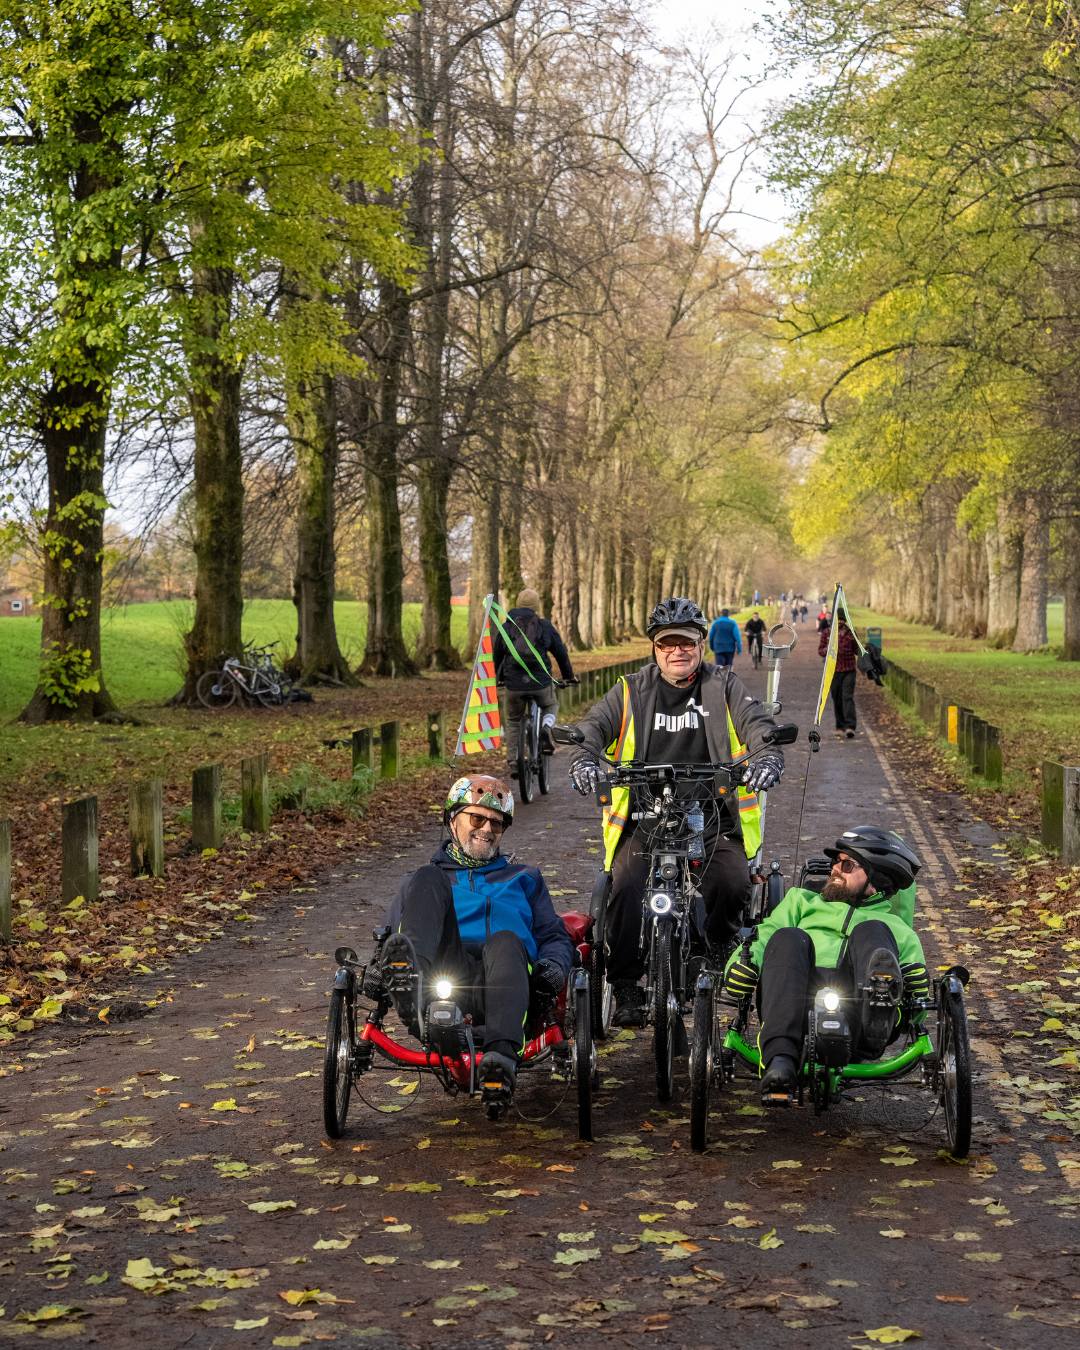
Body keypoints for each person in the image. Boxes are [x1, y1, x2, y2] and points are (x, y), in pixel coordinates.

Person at [568, 597, 783, 1026]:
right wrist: (584, 758)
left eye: (685, 642)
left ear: (701, 644)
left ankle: (717, 946)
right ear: (654, 649)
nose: (676, 651)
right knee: (625, 887)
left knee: (732, 879)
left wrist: (766, 756)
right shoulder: (630, 690)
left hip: (711, 813)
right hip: (646, 816)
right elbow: (595, 726)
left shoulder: (723, 686)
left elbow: (757, 724)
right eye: (667, 644)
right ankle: (628, 985)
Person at [381, 774, 573, 1103]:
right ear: (453, 820)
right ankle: (412, 991)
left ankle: (500, 1062)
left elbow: (554, 935)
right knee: (427, 877)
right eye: (477, 818)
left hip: (507, 980)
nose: (486, 829)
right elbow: (393, 934)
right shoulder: (423, 882)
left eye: (496, 824)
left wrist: (554, 965)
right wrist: (377, 966)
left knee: (506, 940)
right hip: (444, 977)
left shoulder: (524, 877)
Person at [723, 827, 928, 1105]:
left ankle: (877, 1012)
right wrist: (739, 965)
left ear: (875, 877)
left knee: (873, 933)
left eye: (846, 865)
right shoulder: (801, 901)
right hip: (795, 1002)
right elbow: (763, 937)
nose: (834, 870)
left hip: (859, 1018)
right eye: (835, 862)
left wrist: (917, 989)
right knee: (788, 936)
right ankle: (781, 1062)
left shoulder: (896, 929)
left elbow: (919, 1013)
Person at [492, 587, 575, 777]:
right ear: (536, 606)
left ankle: (514, 762)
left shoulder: (507, 627)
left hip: (514, 684)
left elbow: (496, 655)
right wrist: (568, 675)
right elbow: (560, 653)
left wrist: (496, 680)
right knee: (551, 704)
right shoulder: (543, 626)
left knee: (513, 720)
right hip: (541, 683)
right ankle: (546, 728)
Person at [819, 613, 859, 738]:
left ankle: (850, 726)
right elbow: (820, 651)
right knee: (837, 698)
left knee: (847, 697)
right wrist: (827, 649)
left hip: (849, 670)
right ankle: (840, 726)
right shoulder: (827, 633)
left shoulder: (851, 633)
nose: (840, 622)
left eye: (842, 620)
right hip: (833, 671)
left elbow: (857, 650)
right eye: (838, 620)